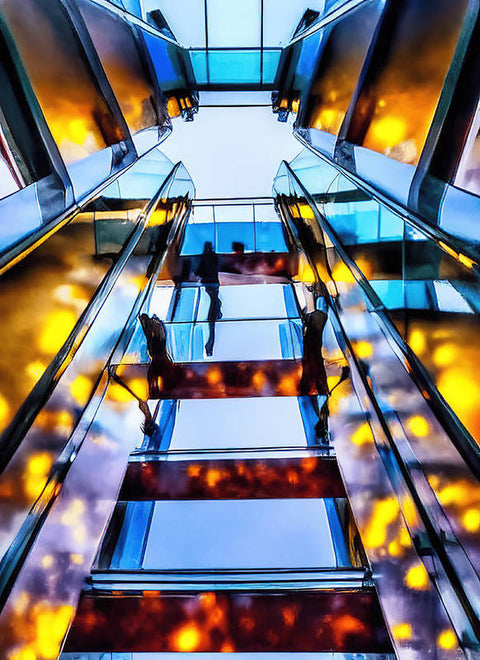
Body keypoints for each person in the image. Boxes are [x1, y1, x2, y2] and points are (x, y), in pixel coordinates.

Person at [195, 241, 222, 356]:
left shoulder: (205, 257)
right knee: (211, 321)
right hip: (213, 284)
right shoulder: (213, 257)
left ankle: (210, 347)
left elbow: (199, 271)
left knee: (211, 319)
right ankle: (209, 347)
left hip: (210, 285)